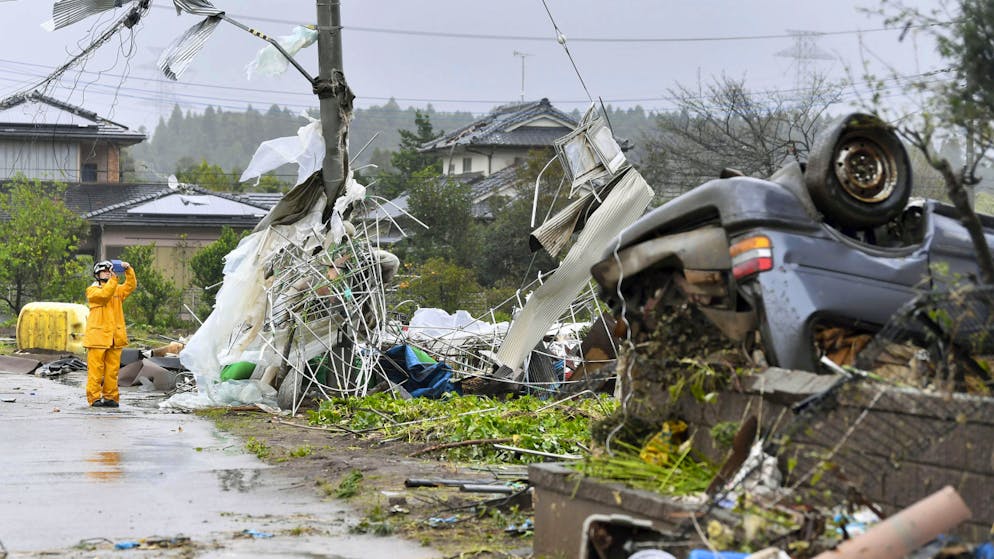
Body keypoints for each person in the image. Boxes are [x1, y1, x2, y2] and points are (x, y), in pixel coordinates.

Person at [83, 260, 137, 408]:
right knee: (96, 372)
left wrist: (128, 270)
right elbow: (105, 294)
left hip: (114, 339)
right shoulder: (93, 291)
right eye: (104, 271)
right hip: (97, 339)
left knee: (112, 372)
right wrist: (114, 280)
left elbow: (131, 285)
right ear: (97, 274)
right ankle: (94, 398)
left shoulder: (117, 290)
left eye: (109, 271)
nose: (107, 273)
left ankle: (110, 397)